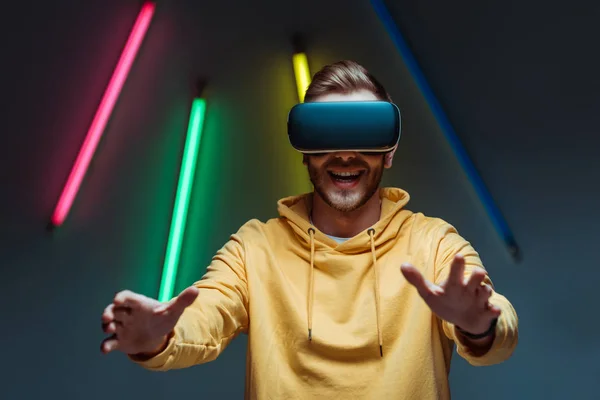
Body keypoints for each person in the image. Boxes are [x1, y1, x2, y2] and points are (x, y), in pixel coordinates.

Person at [100, 60, 518, 399]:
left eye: (364, 135)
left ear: (389, 152)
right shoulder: (255, 249)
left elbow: (500, 330)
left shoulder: (432, 244)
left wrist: (478, 324)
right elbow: (205, 315)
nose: (345, 154)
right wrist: (157, 336)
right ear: (304, 152)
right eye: (325, 135)